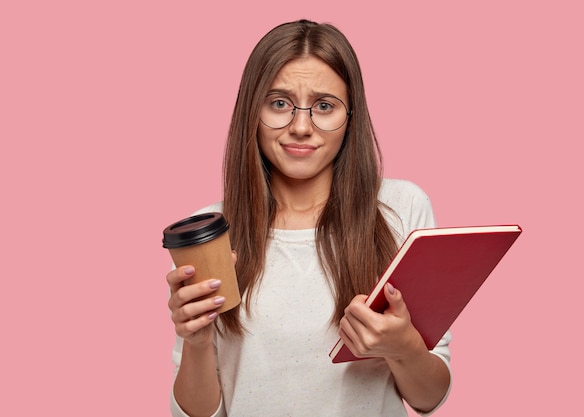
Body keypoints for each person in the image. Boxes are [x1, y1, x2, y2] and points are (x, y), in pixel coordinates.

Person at [166, 19, 452, 417]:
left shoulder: (401, 209)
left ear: (350, 116)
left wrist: (404, 347)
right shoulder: (210, 230)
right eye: (279, 103)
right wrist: (196, 343)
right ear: (253, 109)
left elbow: (429, 397)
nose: (301, 127)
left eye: (324, 106)